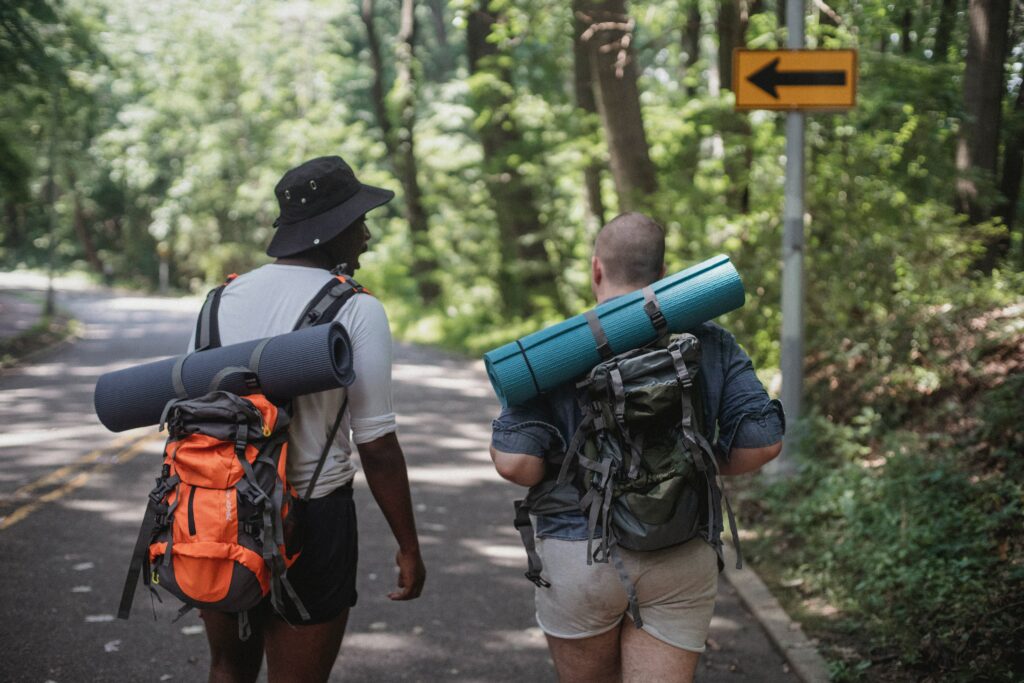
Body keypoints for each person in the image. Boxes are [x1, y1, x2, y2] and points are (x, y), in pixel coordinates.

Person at [489, 212, 784, 683]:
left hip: (580, 552)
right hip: (682, 549)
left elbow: (516, 464)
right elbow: (764, 444)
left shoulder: (553, 355)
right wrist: (694, 465)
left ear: (596, 270)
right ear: (664, 276)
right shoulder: (712, 341)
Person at [196, 156, 426, 682]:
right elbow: (376, 443)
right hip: (313, 519)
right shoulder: (355, 309)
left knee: (227, 669)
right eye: (360, 222)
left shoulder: (218, 301)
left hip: (218, 510)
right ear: (334, 230)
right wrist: (409, 546)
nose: (366, 236)